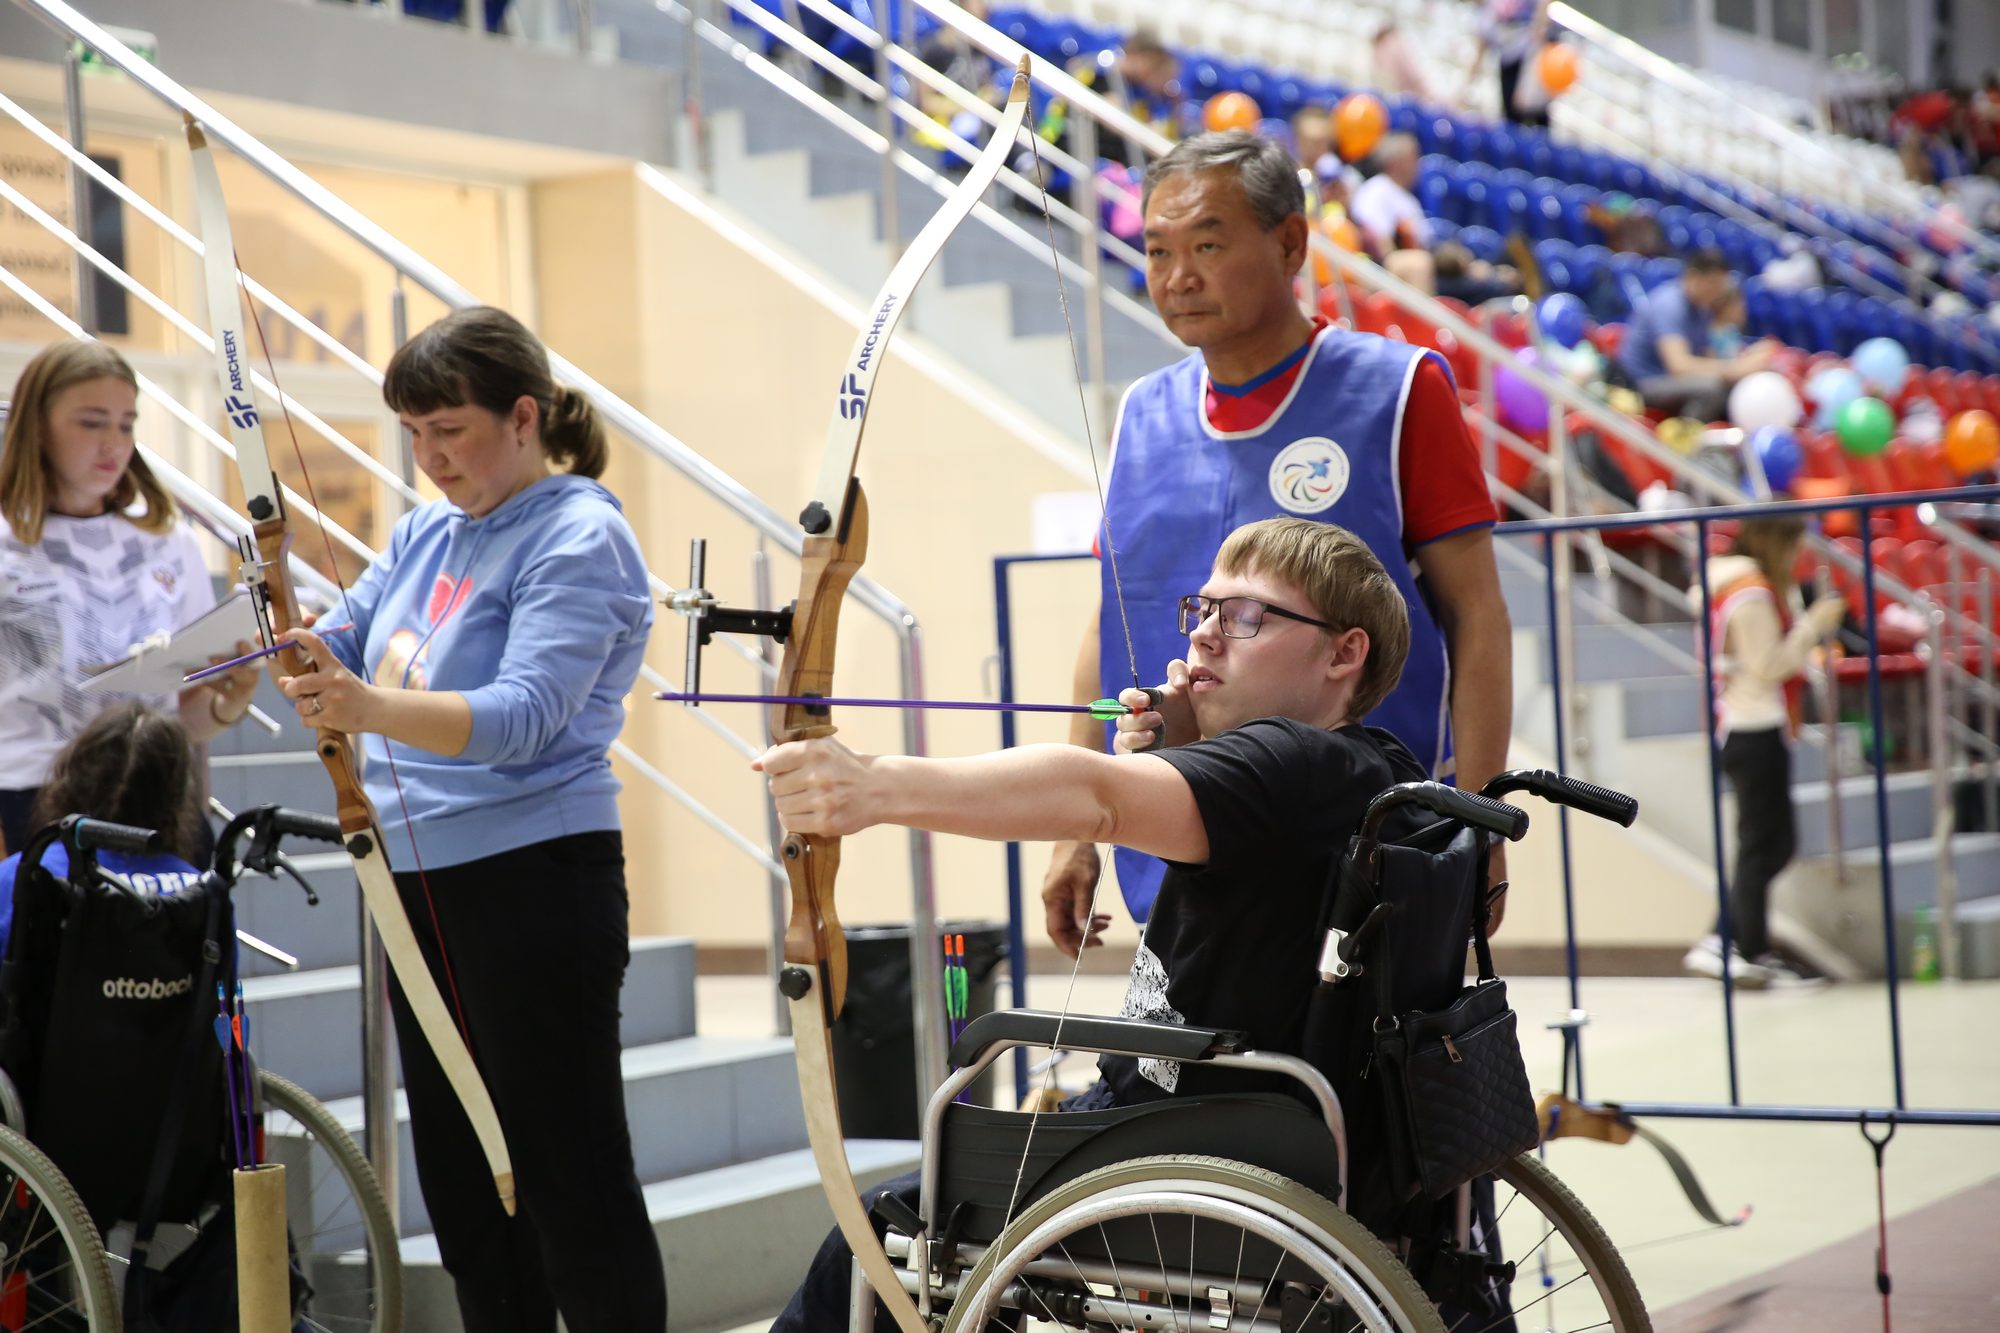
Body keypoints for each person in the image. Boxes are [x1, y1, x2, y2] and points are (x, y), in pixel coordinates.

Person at [758, 517, 1430, 1331]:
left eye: (1247, 615)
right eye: (1202, 608)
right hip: (1228, 1126)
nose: (1207, 635)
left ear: (1342, 653)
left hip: (1179, 1141)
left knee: (872, 1240)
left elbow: (1096, 795)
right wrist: (1186, 744)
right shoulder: (1373, 765)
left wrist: (870, 787)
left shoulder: (1286, 762)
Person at [272, 306, 664, 1331]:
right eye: (413, 433)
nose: (429, 456)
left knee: (567, 1176)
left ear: (522, 417)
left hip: (536, 877)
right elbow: (348, 633)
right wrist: (295, 636)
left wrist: (363, 708)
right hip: (420, 885)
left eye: (448, 429)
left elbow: (525, 716)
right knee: (464, 1179)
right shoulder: (423, 529)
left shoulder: (581, 532)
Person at [1042, 130, 1511, 952]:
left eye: (1208, 244)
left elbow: (1476, 617)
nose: (1177, 276)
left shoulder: (1400, 390)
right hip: (1174, 851)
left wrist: (1481, 824)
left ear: (1291, 242)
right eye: (1156, 250)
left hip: (1365, 857)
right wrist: (1074, 826)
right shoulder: (1140, 415)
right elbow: (1101, 629)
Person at [0, 339, 262, 856]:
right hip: (31, 802)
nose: (113, 444)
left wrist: (233, 698)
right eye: (91, 422)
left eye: (126, 424)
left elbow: (186, 713)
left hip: (157, 799)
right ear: (37, 425)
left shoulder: (170, 542)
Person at [1686, 515, 1845, 988]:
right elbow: (1768, 664)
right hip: (1752, 727)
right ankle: (1742, 945)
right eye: (1794, 547)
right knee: (1764, 845)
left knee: (1767, 843)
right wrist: (1812, 626)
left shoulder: (1738, 585)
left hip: (1750, 727)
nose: (1798, 560)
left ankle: (1726, 937)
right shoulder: (1750, 592)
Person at [0, 702, 205, 954]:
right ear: (178, 797)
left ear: (72, 779)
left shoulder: (21, 876)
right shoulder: (202, 892)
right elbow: (220, 988)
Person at [1613, 249, 1779, 424]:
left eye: (1719, 286)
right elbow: (1679, 365)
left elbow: (1708, 355)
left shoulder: (1702, 310)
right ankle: (1682, 439)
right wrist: (1733, 368)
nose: (1716, 292)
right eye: (1712, 284)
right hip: (1642, 381)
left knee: (1735, 385)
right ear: (1693, 276)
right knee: (1711, 388)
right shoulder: (1670, 304)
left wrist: (1745, 363)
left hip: (1670, 380)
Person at [1466, 0, 1551, 129]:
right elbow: (1480, 52)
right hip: (1508, 61)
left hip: (1529, 58)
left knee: (1537, 115)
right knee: (1512, 117)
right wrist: (1465, 88)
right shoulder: (1488, 14)